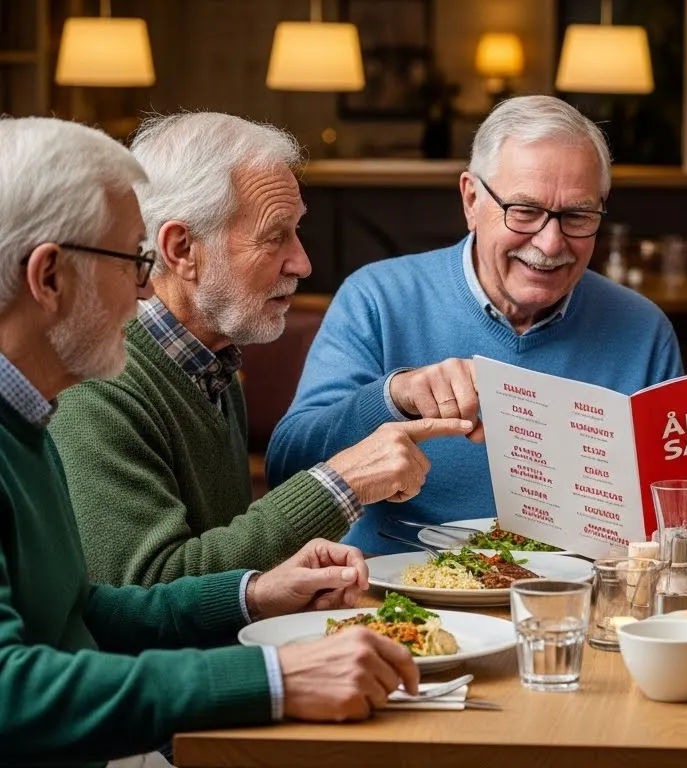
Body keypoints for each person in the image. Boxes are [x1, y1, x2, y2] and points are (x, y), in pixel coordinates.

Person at [0, 117, 423, 768]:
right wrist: (273, 680)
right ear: (49, 276)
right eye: (131, 261)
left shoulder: (30, 414)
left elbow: (79, 611)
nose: (144, 289)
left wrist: (250, 594)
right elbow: (10, 691)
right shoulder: (64, 405)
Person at [48, 112, 472, 586]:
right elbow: (150, 589)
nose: (303, 263)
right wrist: (342, 484)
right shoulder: (98, 386)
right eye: (275, 237)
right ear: (182, 249)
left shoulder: (211, 363)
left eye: (296, 231)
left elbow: (221, 560)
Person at [267, 95, 684, 554]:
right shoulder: (378, 298)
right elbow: (287, 466)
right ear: (471, 200)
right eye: (524, 210)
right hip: (400, 587)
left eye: (577, 216)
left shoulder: (644, 330)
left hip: (582, 590)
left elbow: (676, 512)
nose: (550, 243)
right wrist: (393, 397)